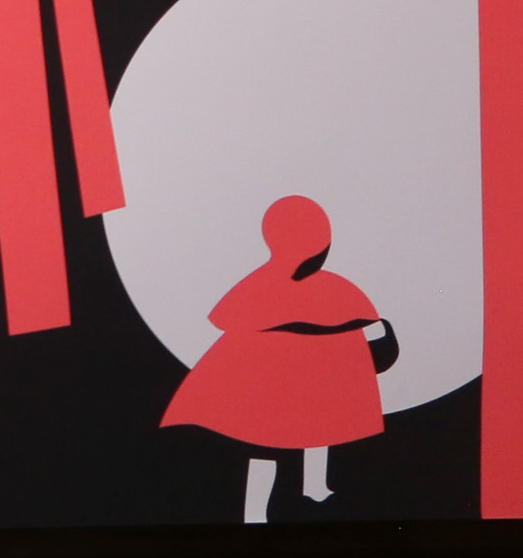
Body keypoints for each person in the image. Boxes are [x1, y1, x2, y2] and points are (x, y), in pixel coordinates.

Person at [161, 194, 393, 523]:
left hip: (313, 390)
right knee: (264, 444)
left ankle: (313, 487)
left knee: (319, 426)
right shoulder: (266, 288)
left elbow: (368, 327)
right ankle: (257, 510)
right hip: (270, 395)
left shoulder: (329, 290)